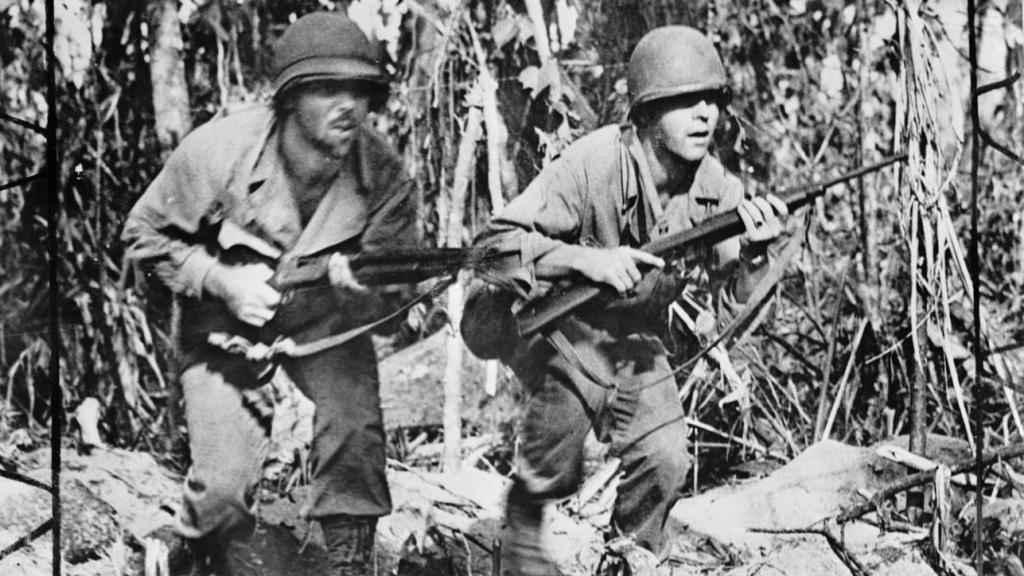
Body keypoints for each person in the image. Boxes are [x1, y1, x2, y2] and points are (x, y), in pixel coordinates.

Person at [462, 26, 788, 575]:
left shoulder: (719, 192)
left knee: (666, 457)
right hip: (542, 317)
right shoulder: (594, 162)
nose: (703, 115)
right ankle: (525, 523)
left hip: (632, 336)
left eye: (711, 100)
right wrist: (584, 260)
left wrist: (757, 256)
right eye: (684, 102)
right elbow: (490, 249)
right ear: (644, 112)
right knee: (577, 383)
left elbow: (734, 313)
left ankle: (630, 557)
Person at [122, 12, 416, 576]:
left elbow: (391, 307)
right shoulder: (220, 150)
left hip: (322, 323)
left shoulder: (384, 176)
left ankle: (351, 565)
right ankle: (188, 546)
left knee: (354, 426)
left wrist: (361, 295)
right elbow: (142, 236)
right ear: (289, 99)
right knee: (223, 496)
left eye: (359, 89)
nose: (348, 105)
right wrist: (221, 281)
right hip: (224, 326)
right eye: (327, 88)